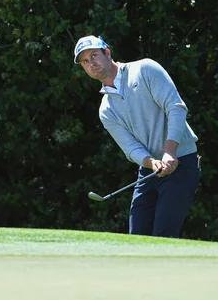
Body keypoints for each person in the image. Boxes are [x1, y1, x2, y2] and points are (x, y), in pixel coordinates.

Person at [74, 35, 201, 238]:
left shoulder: (144, 69)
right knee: (137, 238)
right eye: (85, 62)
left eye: (94, 55)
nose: (92, 64)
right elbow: (130, 148)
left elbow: (176, 108)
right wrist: (152, 163)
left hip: (182, 162)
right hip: (150, 170)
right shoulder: (106, 109)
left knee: (163, 237)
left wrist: (169, 152)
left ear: (107, 53)